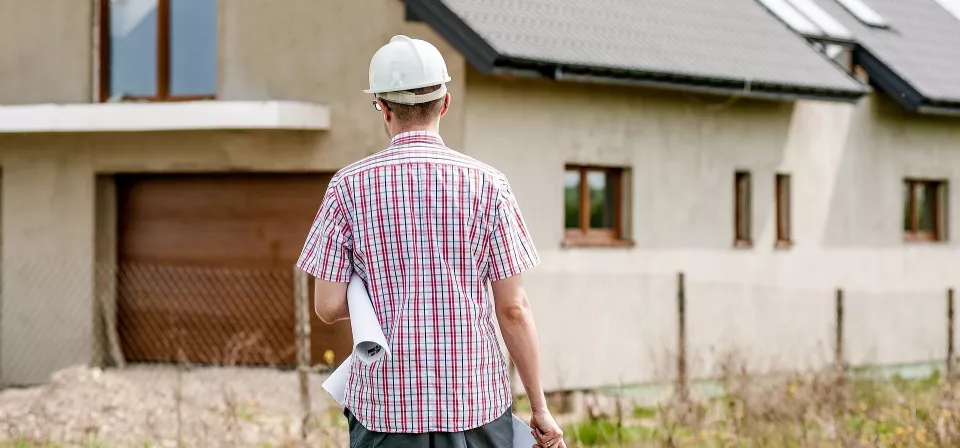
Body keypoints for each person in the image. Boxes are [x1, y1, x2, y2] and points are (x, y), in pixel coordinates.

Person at [296, 35, 565, 448]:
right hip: (476, 407)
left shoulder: (347, 187)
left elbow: (328, 306)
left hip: (386, 412)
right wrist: (540, 409)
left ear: (382, 108)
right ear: (445, 103)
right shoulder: (489, 185)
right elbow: (513, 309)